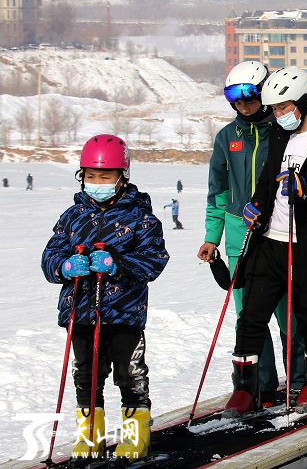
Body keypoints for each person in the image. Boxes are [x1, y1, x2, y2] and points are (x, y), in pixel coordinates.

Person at [227, 66, 307, 415]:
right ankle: (245, 389)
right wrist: (256, 203)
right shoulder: (280, 136)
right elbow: (269, 180)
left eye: (284, 107)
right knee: (251, 316)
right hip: (270, 241)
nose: (279, 115)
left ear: (303, 100)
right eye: (276, 109)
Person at [41, 134, 169, 460]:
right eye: (91, 176)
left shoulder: (141, 218)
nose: (96, 182)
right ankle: (89, 438)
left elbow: (154, 261)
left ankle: (134, 437)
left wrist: (118, 263)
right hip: (81, 311)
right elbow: (50, 258)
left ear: (122, 177)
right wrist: (65, 266)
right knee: (87, 376)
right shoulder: (72, 216)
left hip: (123, 312)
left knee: (129, 374)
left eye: (105, 176)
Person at [196, 60, 303, 410]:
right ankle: (259, 386)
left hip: (278, 230)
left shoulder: (284, 132)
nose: (242, 102)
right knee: (248, 316)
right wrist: (212, 236)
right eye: (233, 95)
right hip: (239, 235)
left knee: (287, 309)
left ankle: (301, 381)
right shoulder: (228, 138)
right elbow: (218, 191)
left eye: (248, 94)